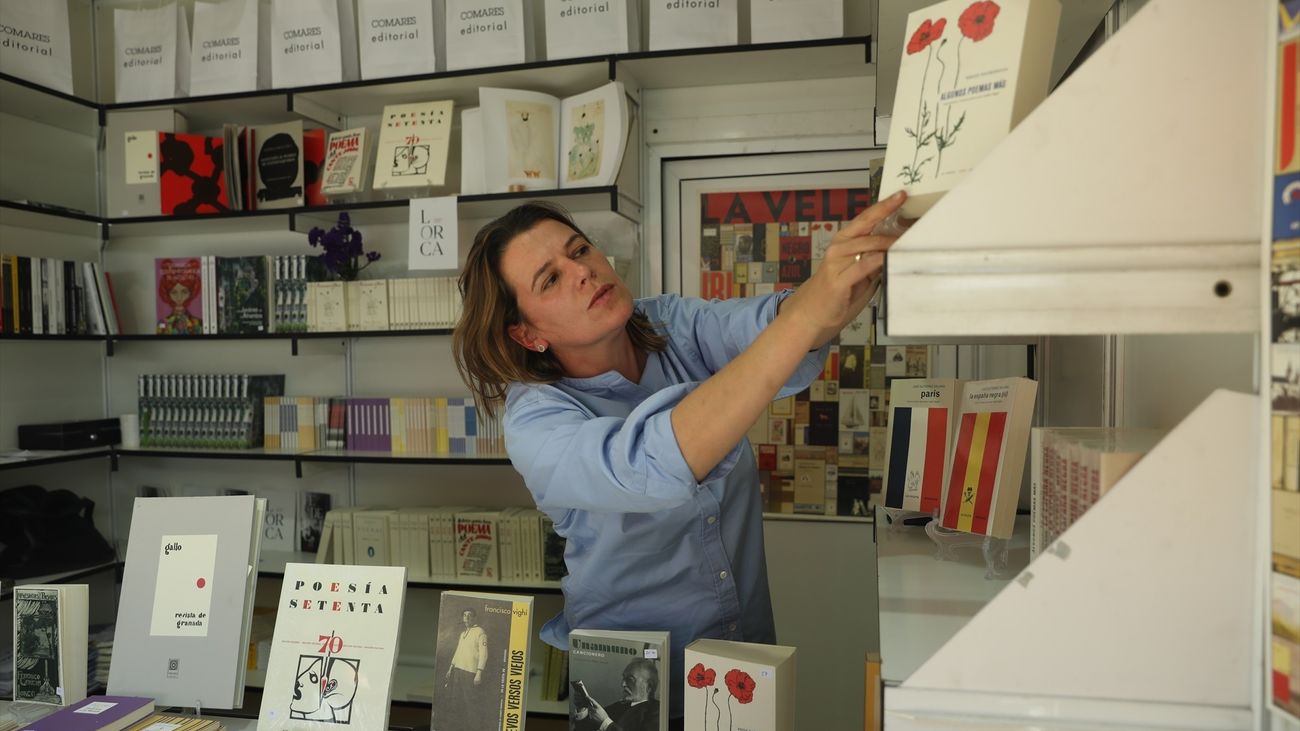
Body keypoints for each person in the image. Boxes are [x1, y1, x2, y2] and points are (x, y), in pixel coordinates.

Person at [452, 191, 908, 721]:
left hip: (740, 663)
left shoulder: (669, 324)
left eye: (579, 251)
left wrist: (862, 263)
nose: (582, 271)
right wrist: (805, 316)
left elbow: (772, 325)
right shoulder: (536, 423)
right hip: (628, 687)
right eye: (549, 279)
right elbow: (655, 460)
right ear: (527, 333)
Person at [573, 658, 660, 731]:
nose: (623, 684)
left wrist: (605, 722)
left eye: (630, 679)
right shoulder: (617, 706)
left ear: (649, 686)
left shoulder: (657, 711)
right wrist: (582, 709)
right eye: (624, 678)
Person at [442, 608, 487, 729]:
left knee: (471, 703)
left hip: (470, 673)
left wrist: (479, 672)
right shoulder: (463, 634)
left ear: (474, 618)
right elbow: (458, 651)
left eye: (470, 615)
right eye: (465, 615)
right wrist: (450, 668)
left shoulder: (480, 632)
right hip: (457, 671)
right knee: (456, 701)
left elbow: (484, 653)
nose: (466, 618)